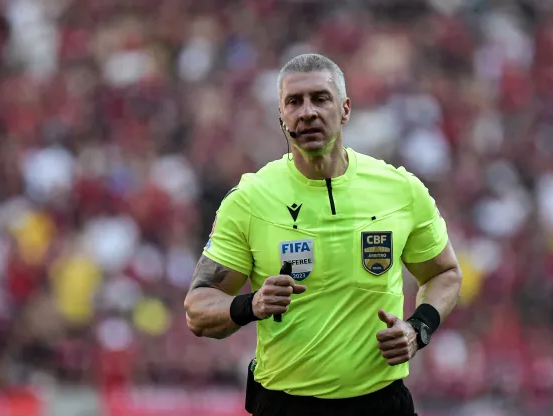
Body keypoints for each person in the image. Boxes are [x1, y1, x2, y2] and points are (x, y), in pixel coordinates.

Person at [183, 53, 463, 416]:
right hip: (285, 405)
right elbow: (197, 308)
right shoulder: (251, 199)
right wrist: (249, 305)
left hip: (381, 404)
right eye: (294, 102)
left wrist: (418, 328)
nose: (307, 112)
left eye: (320, 98)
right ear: (281, 117)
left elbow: (444, 272)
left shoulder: (400, 189)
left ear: (345, 109)